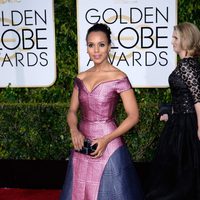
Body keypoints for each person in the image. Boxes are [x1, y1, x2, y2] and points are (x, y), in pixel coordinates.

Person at [59, 23, 144, 200]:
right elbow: (72, 111)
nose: (96, 50)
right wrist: (74, 130)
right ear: (87, 47)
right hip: (82, 144)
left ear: (109, 47)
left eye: (101, 44)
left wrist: (106, 139)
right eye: (91, 45)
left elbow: (134, 115)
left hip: (109, 142)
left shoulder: (119, 77)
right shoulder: (81, 77)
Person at [145, 22, 200, 200]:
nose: (172, 41)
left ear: (185, 39)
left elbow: (198, 99)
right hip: (180, 120)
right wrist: (171, 112)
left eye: (175, 37)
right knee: (180, 169)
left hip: (187, 124)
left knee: (181, 171)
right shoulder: (188, 64)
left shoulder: (187, 66)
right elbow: (185, 96)